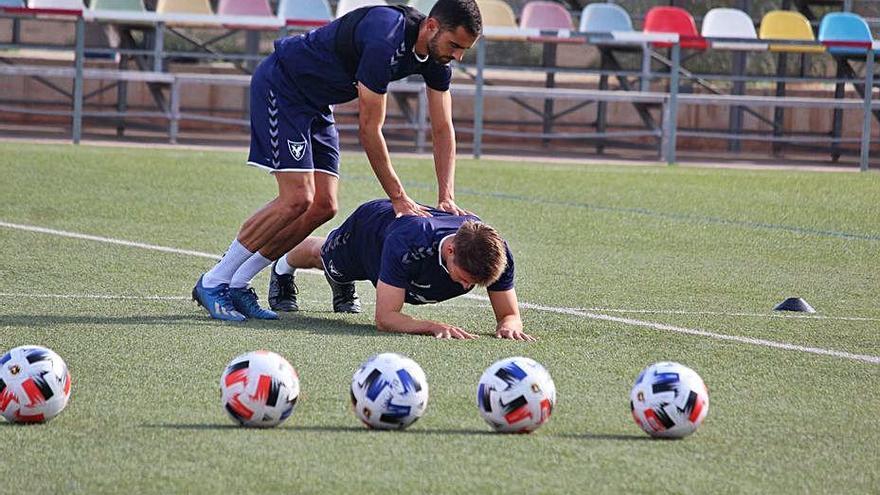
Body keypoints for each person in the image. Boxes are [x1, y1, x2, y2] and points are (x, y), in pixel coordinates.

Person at [192, 0, 483, 321]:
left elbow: (443, 129)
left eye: (464, 50)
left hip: (317, 104)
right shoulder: (385, 36)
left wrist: (447, 196)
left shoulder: (437, 59)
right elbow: (370, 129)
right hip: (283, 85)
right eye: (454, 45)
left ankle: (239, 283)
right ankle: (214, 281)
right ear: (431, 26)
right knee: (297, 198)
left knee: (323, 206)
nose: (457, 56)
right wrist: (398, 197)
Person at [268, 199, 534, 341]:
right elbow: (386, 319)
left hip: (399, 247)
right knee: (324, 258)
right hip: (370, 231)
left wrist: (509, 325)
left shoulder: (496, 254)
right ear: (450, 250)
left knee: (339, 272)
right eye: (464, 279)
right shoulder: (409, 243)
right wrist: (432, 326)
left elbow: (509, 314)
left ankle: (340, 282)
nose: (465, 287)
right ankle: (282, 268)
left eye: (474, 285)